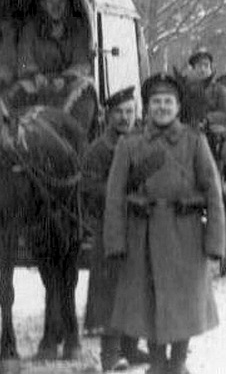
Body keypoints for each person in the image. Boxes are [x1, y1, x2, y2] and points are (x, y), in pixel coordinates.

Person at [104, 73, 225, 374]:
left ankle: (179, 361)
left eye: (168, 102)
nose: (162, 107)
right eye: (156, 102)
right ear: (147, 107)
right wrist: (116, 242)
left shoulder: (195, 142)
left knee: (185, 301)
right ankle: (157, 363)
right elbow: (115, 197)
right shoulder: (129, 145)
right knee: (149, 301)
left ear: (178, 106)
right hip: (143, 236)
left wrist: (215, 243)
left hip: (185, 235)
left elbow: (214, 193)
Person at [82, 86, 148, 371]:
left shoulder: (144, 143)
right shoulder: (99, 149)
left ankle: (131, 348)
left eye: (129, 111)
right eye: (119, 112)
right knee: (110, 291)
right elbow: (88, 188)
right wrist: (120, 193)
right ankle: (110, 355)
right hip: (111, 230)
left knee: (137, 287)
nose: (124, 117)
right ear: (108, 116)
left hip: (140, 229)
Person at [14, 0, 93, 108]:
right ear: (43, 5)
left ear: (66, 3)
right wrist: (35, 74)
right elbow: (23, 59)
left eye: (60, 2)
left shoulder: (77, 29)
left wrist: (65, 78)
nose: (56, 7)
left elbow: (82, 62)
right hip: (38, 83)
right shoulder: (30, 29)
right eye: (51, 2)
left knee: (85, 89)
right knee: (16, 93)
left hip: (69, 84)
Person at [179, 49, 226, 166]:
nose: (203, 69)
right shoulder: (185, 88)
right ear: (193, 69)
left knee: (224, 140)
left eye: (206, 65)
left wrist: (208, 119)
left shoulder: (218, 89)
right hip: (189, 126)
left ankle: (225, 172)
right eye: (199, 66)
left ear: (210, 68)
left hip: (211, 128)